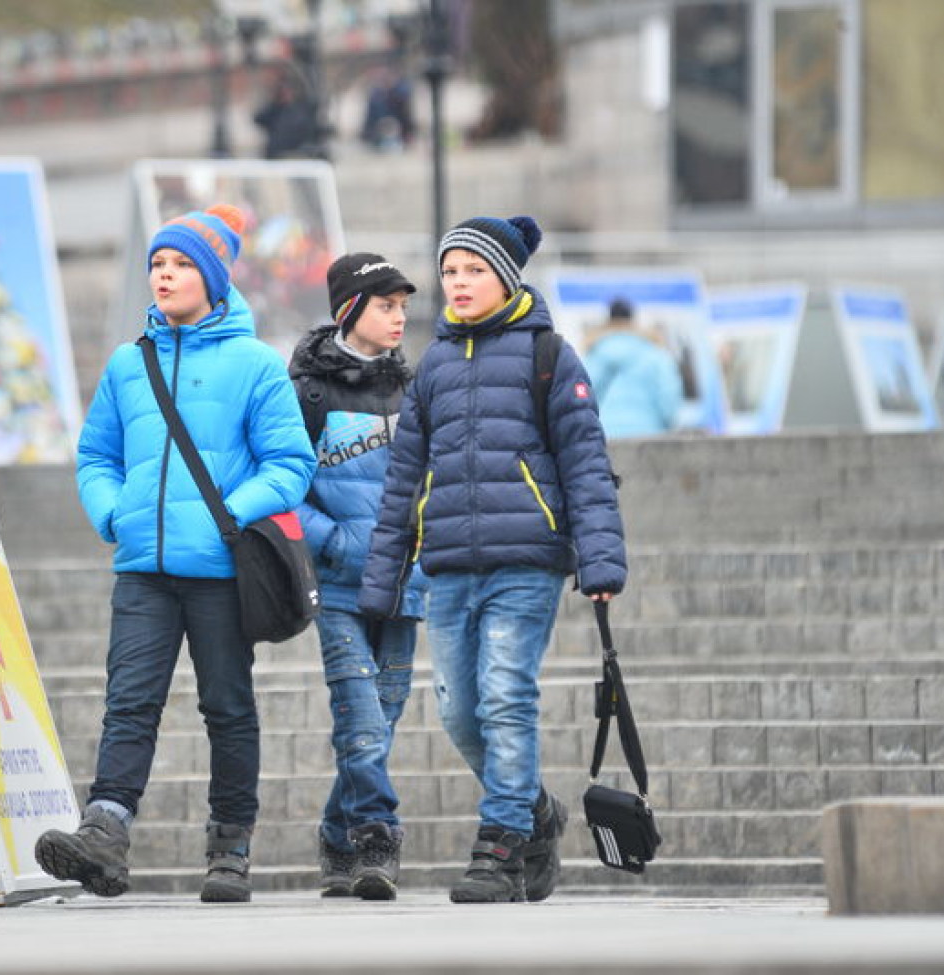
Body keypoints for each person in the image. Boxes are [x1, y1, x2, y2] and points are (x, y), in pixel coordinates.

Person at [34, 204, 316, 903]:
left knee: (227, 705)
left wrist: (232, 516)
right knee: (128, 703)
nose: (165, 274)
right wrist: (112, 513)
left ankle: (230, 847)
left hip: (223, 570)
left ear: (214, 280)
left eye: (182, 264)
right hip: (143, 571)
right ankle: (104, 831)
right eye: (158, 263)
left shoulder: (256, 364)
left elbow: (290, 462)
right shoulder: (131, 362)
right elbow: (97, 452)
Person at [358, 215, 627, 904]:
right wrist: (383, 579)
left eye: (474, 270)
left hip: (526, 562)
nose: (459, 282)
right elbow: (403, 481)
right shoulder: (435, 367)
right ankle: (537, 811)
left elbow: (586, 463)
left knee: (506, 696)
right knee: (457, 711)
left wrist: (598, 562)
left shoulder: (549, 355)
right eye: (450, 271)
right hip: (448, 565)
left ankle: (501, 842)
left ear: (506, 276)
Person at [289, 253, 428, 901]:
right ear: (349, 310)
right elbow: (285, 486)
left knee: (387, 712)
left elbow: (436, 478)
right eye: (385, 306)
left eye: (402, 306)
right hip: (341, 584)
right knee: (362, 717)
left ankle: (334, 834)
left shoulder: (415, 388)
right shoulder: (308, 392)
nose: (399, 318)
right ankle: (376, 832)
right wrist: (336, 540)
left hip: (405, 583)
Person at [582, 297, 684, 438]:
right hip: (650, 435)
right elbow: (668, 400)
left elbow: (584, 399)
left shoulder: (592, 355)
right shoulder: (656, 354)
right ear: (633, 320)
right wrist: (667, 426)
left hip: (605, 435)